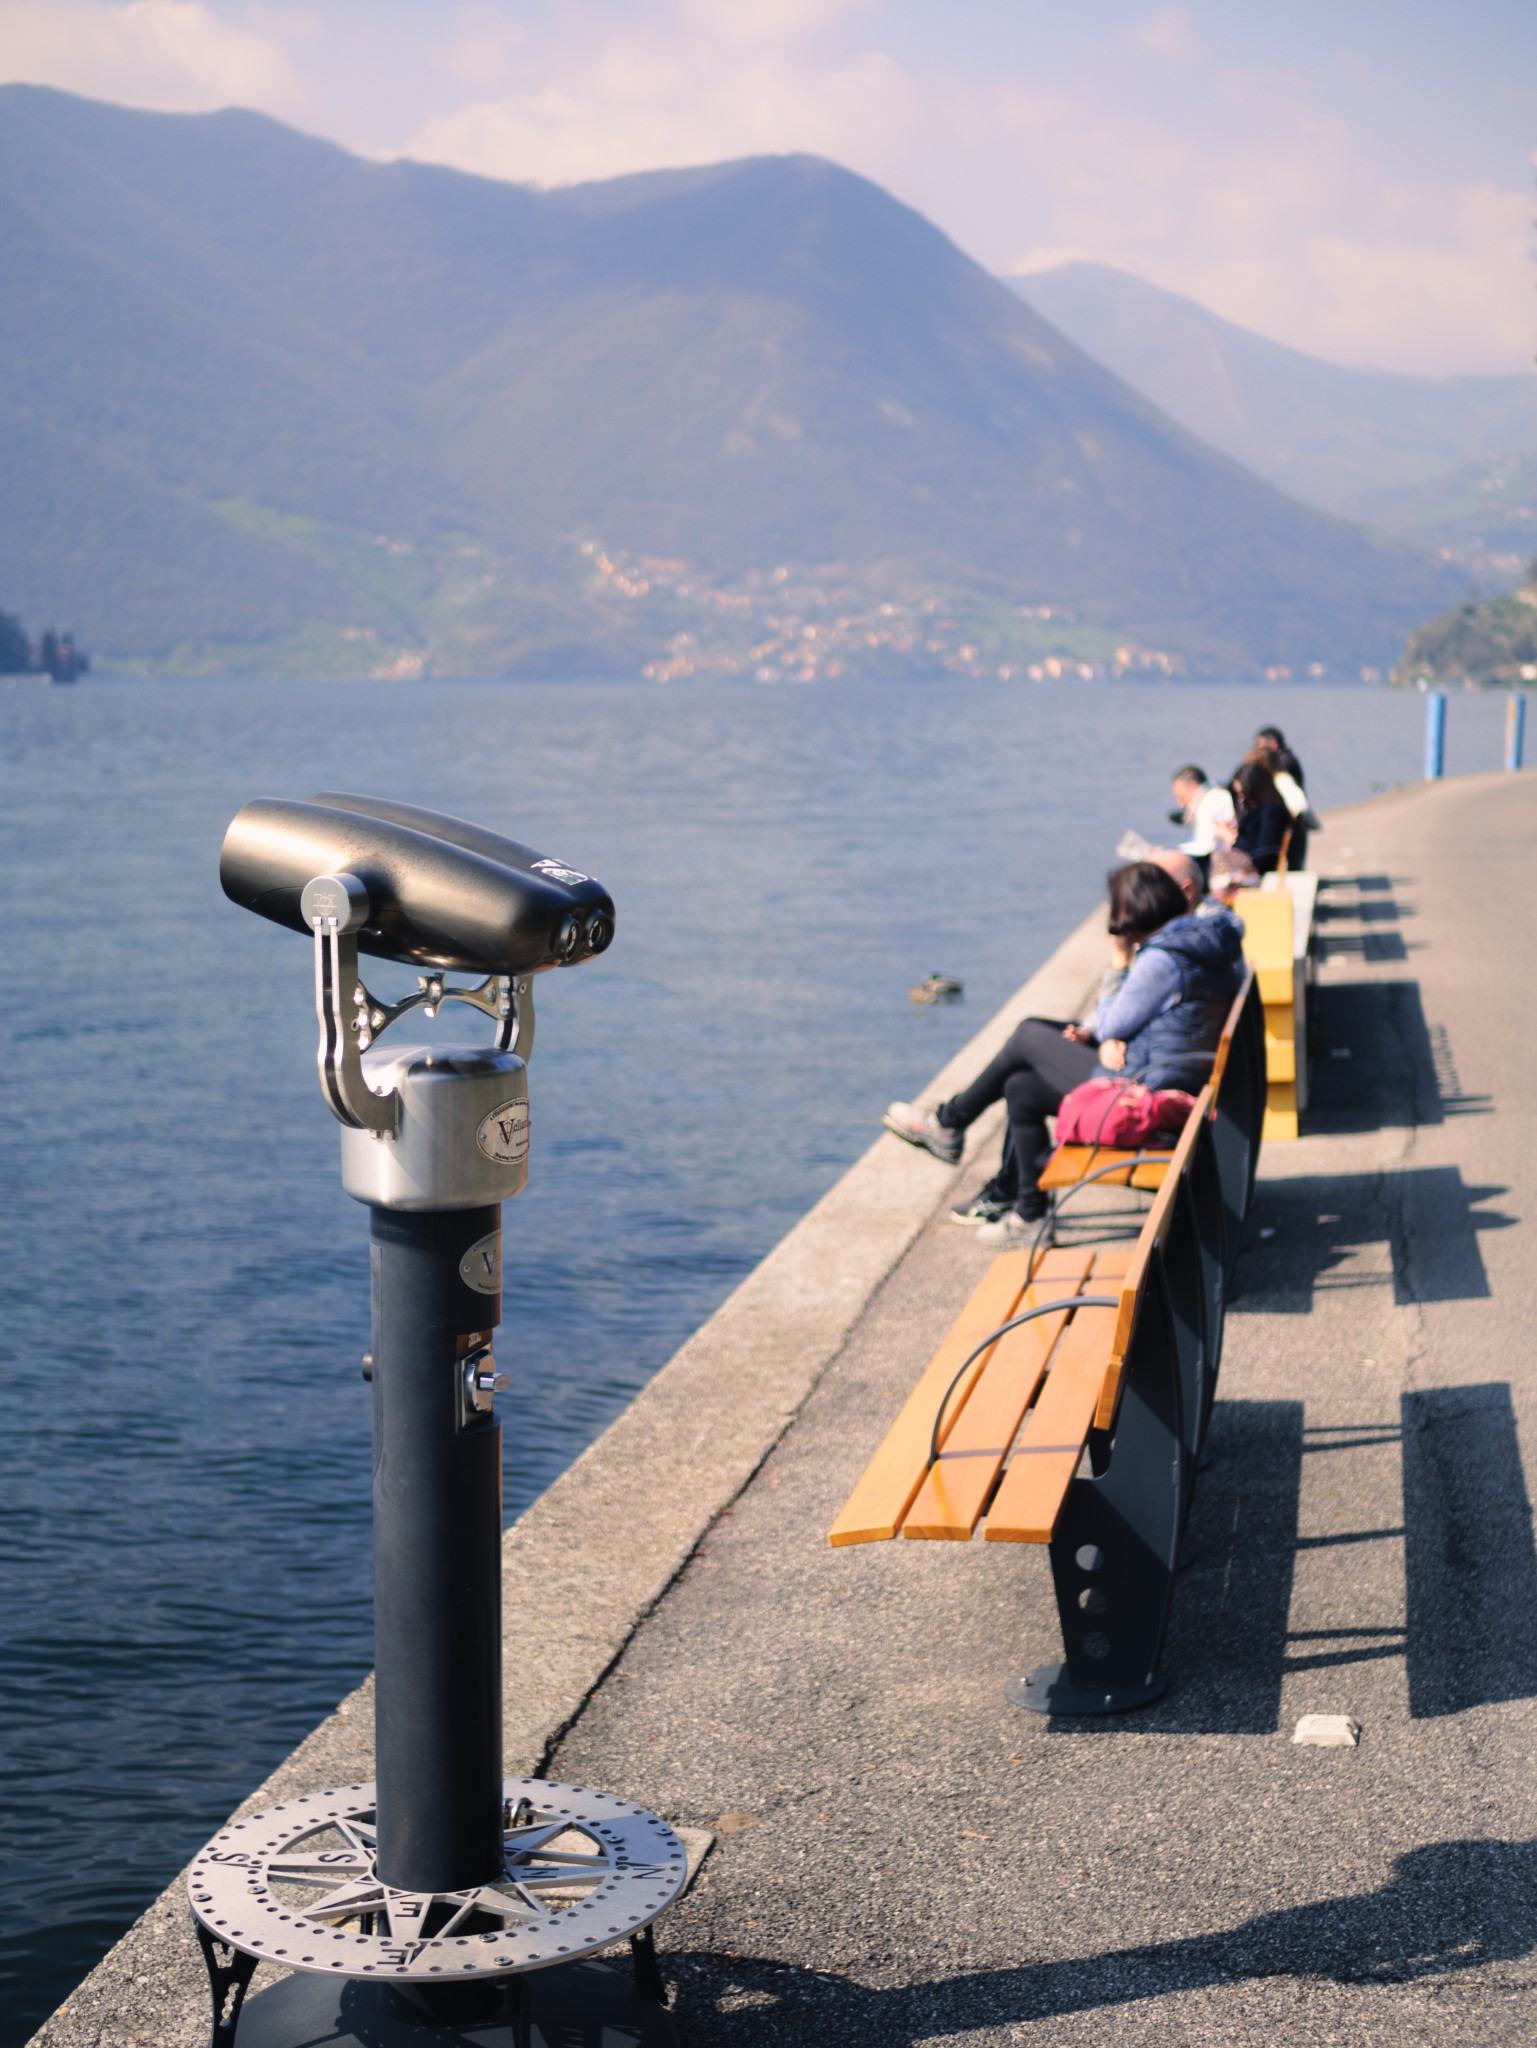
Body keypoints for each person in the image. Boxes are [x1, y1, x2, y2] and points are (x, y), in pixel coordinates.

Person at [883, 861, 1245, 1245]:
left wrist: (1119, 964)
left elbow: (1112, 1023)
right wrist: (1109, 1035)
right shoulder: (1200, 940)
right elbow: (1150, 1019)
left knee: (1027, 1035)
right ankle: (1029, 1213)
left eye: (1118, 912)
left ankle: (949, 1122)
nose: (1115, 923)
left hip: (1144, 1094)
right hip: (1170, 1075)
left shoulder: (1161, 960)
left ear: (1137, 911)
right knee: (1021, 1087)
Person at [1251, 726, 1312, 869]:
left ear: (1273, 744)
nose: (1256, 749)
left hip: (1290, 818)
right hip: (1291, 818)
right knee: (1293, 859)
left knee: (1292, 858)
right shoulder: (1287, 759)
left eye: (1260, 745)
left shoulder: (1283, 763)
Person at [1220, 758, 1291, 874]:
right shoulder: (1255, 812)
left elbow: (1263, 856)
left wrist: (1231, 838)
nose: (1241, 800)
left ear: (1257, 791)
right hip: (1246, 870)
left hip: (1257, 873)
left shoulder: (1272, 813)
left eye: (1244, 794)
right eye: (1237, 795)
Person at [1169, 764, 1236, 869]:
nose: (1180, 804)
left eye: (1182, 796)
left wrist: (1170, 855)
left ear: (1192, 786)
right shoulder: (1212, 796)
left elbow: (1205, 848)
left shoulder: (1210, 801)